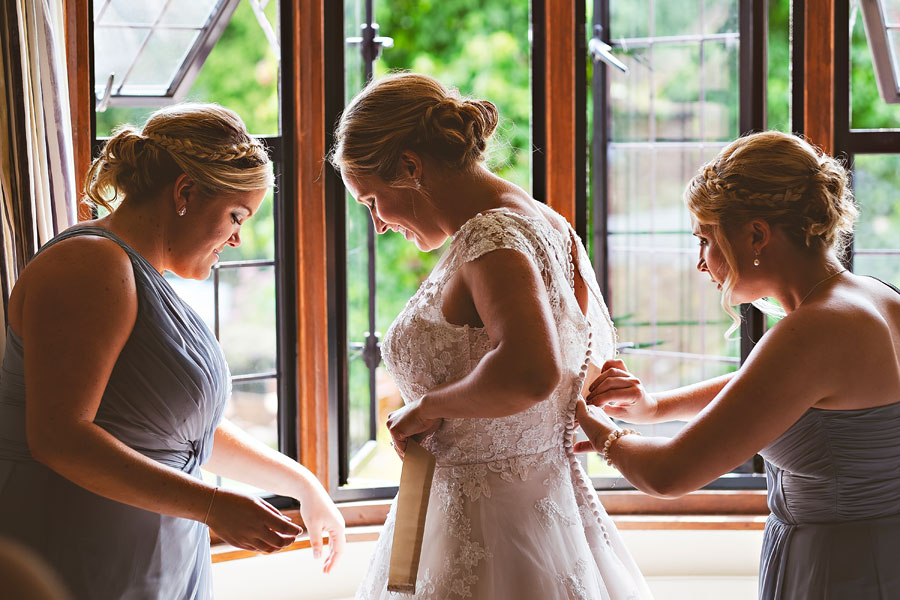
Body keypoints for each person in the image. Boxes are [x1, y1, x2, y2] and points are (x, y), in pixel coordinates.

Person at [0, 103, 346, 599]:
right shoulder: (90, 265)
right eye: (235, 215)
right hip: (79, 551)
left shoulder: (140, 274)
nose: (237, 237)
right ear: (184, 192)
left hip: (159, 553)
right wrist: (212, 506)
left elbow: (173, 428)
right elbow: (58, 436)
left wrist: (301, 483)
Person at [330, 73, 652, 599]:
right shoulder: (551, 226)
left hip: (484, 527)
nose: (379, 224)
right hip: (545, 515)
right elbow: (584, 373)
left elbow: (531, 371)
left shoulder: (489, 236)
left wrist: (427, 407)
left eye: (371, 201)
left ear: (411, 167)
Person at [575, 131, 900, 599]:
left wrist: (594, 424)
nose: (701, 264)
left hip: (840, 570)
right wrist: (654, 407)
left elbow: (668, 474)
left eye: (705, 239)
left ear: (756, 234)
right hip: (871, 553)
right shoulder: (869, 295)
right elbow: (771, 387)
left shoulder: (816, 328)